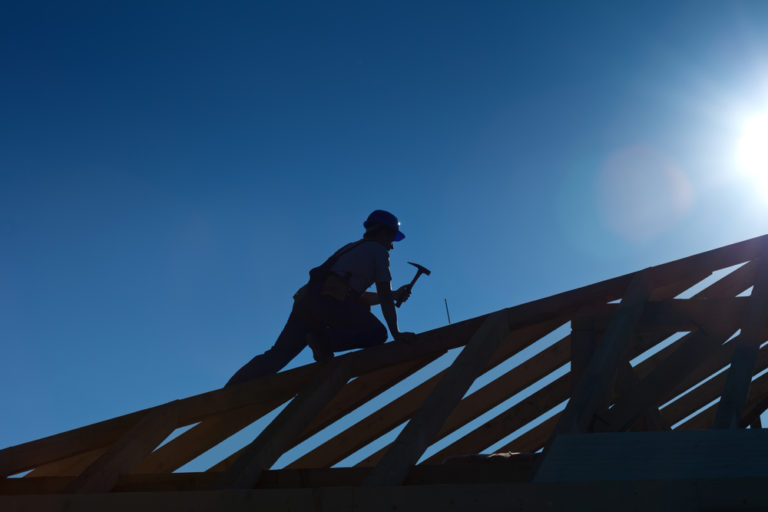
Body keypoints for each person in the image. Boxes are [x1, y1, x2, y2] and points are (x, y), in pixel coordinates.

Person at [225, 210, 415, 386]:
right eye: (391, 238)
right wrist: (396, 333)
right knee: (377, 333)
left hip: (309, 298)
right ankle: (322, 340)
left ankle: (230, 391)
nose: (392, 246)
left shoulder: (353, 248)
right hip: (329, 302)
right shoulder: (378, 251)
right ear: (383, 232)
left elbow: (354, 295)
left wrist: (395, 294)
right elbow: (381, 293)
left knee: (277, 355)